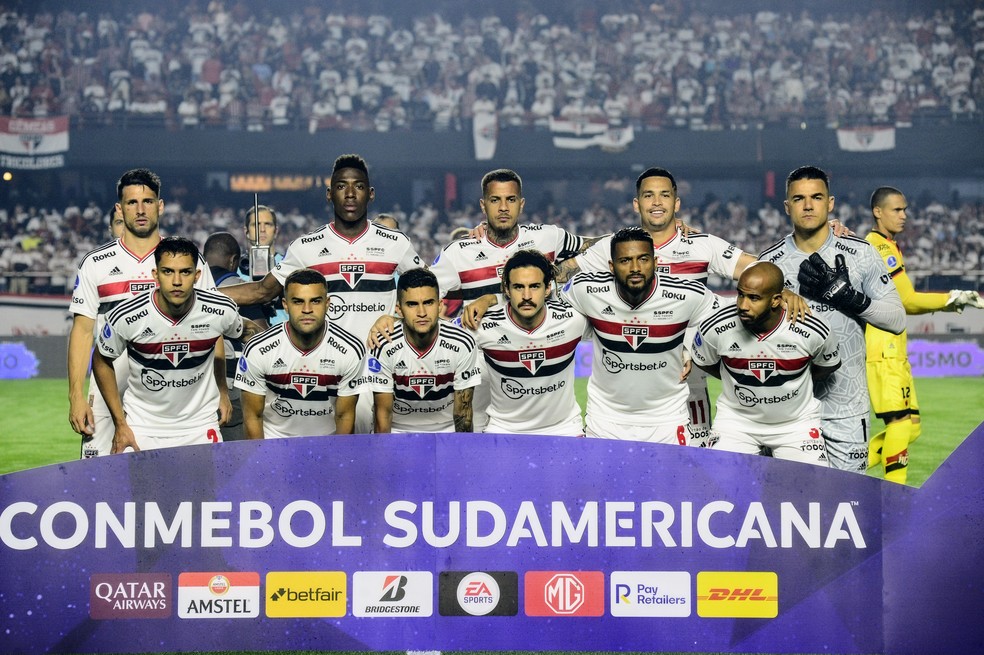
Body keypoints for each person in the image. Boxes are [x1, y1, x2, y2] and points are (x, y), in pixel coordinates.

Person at [554, 167, 811, 447]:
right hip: (630, 383)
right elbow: (559, 273)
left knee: (693, 467)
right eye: (648, 195)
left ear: (676, 203)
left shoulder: (702, 245)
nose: (656, 202)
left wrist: (783, 288)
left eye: (664, 195)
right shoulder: (615, 248)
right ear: (636, 204)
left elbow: (758, 269)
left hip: (689, 375)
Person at [369, 168, 595, 429]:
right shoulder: (459, 252)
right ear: (483, 205)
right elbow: (423, 293)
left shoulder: (548, 238)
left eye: (510, 200)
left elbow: (600, 248)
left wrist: (651, 238)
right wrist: (391, 317)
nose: (503, 208)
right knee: (476, 443)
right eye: (494, 200)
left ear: (521, 204)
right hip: (479, 365)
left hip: (530, 357)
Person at [221, 154, 423, 433]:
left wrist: (397, 318)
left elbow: (428, 292)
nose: (350, 194)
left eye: (359, 186)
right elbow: (261, 291)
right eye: (341, 186)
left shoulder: (395, 243)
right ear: (329, 194)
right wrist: (201, 294)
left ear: (371, 194)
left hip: (380, 374)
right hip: (328, 374)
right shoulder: (307, 247)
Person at [759, 166, 905, 472]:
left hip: (847, 410)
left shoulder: (860, 254)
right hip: (786, 413)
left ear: (831, 203)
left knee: (849, 509)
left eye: (816, 197)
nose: (808, 205)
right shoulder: (769, 264)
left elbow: (896, 319)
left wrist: (847, 296)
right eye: (799, 198)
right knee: (788, 508)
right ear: (787, 207)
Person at [68, 168, 216, 458]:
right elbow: (83, 331)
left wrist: (220, 390)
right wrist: (75, 395)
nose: (140, 209)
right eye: (132, 203)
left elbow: (211, 325)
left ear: (160, 206)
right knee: (97, 476)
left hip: (170, 394)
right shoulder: (96, 264)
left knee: (171, 475)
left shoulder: (187, 260)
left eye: (148, 201)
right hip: (108, 381)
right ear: (119, 209)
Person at [864, 187, 984, 483]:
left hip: (895, 350)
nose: (904, 215)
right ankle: (895, 498)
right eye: (896, 210)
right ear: (878, 212)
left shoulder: (888, 245)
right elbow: (907, 300)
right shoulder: (878, 248)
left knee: (912, 426)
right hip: (883, 349)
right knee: (900, 425)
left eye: (904, 209)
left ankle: (841, 469)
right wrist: (951, 299)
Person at [558, 227, 716, 443]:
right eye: (625, 261)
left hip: (667, 421)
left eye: (643, 259)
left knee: (668, 479)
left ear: (656, 262)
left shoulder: (688, 294)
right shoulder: (584, 289)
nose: (635, 268)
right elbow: (549, 310)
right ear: (611, 267)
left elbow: (727, 319)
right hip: (605, 421)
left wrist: (688, 344)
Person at [92, 237, 242, 452]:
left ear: (197, 276)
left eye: (185, 272)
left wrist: (223, 391)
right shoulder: (127, 316)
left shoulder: (221, 310)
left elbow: (232, 335)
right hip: (142, 427)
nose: (177, 281)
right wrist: (120, 423)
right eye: (168, 271)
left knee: (205, 487)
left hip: (200, 426)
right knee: (144, 487)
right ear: (156, 275)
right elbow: (100, 359)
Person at [692, 262, 840, 465]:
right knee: (718, 487)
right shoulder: (715, 327)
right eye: (741, 295)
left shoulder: (813, 328)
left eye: (754, 298)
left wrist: (787, 383)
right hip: (736, 423)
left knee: (812, 491)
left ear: (776, 300)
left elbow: (827, 365)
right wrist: (743, 378)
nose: (743, 305)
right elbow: (705, 362)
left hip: (795, 425)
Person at [234, 268, 365, 438]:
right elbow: (253, 417)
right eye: (297, 301)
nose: (307, 309)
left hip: (326, 445)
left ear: (327, 304)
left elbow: (344, 416)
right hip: (276, 443)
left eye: (316, 301)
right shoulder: (258, 349)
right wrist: (261, 460)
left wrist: (337, 460)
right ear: (285, 305)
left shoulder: (350, 350)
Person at [468, 249, 588, 436]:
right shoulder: (483, 325)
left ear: (548, 288)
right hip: (504, 430)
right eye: (518, 287)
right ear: (506, 289)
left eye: (534, 286)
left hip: (564, 429)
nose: (526, 296)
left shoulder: (572, 320)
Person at [368, 268, 482, 433]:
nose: (421, 313)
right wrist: (386, 455)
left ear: (440, 305)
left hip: (446, 430)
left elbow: (463, 414)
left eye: (428, 302)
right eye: (412, 304)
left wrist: (460, 454)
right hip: (398, 430)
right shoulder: (383, 345)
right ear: (399, 309)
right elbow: (383, 414)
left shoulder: (462, 343)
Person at [203, 232, 265, 441]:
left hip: (195, 389)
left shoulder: (187, 286)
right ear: (233, 261)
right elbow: (261, 338)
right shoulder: (243, 288)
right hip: (233, 388)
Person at [238, 203, 286, 325]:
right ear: (246, 231)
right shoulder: (235, 269)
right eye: (256, 225)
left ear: (276, 231)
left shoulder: (288, 266)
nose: (262, 229)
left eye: (268, 224)